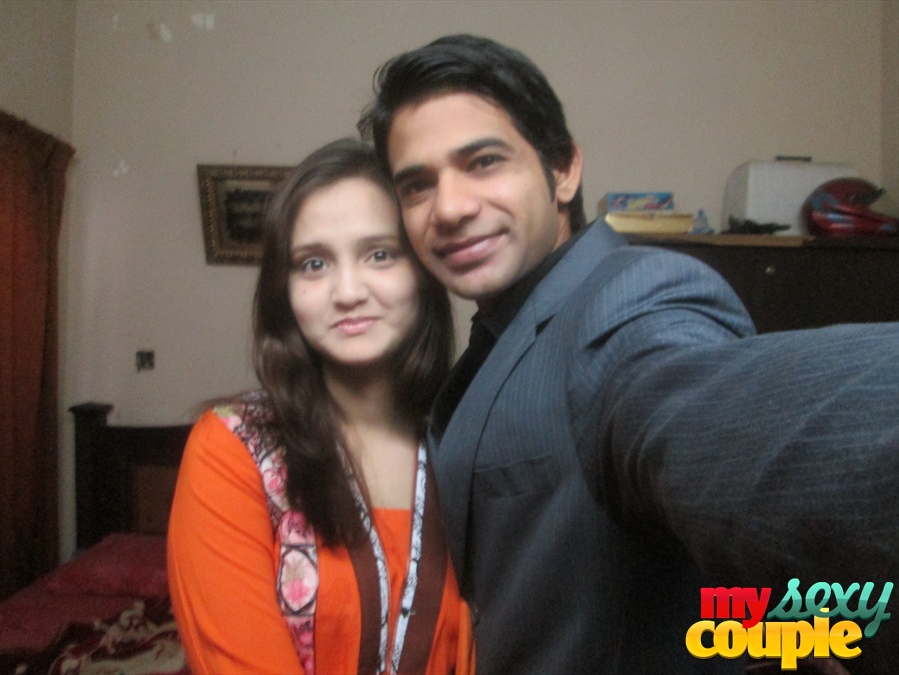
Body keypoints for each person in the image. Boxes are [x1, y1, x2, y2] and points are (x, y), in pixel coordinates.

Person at [358, 34, 899, 675]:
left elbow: (692, 412)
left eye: (483, 162)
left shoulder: (632, 297)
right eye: (417, 186)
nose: (449, 208)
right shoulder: (494, 337)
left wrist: (817, 633)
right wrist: (782, 637)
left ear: (563, 169)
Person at [168, 138, 474, 674]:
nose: (348, 291)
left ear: (423, 272)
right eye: (314, 264)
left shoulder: (469, 439)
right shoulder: (232, 449)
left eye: (380, 254)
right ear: (283, 291)